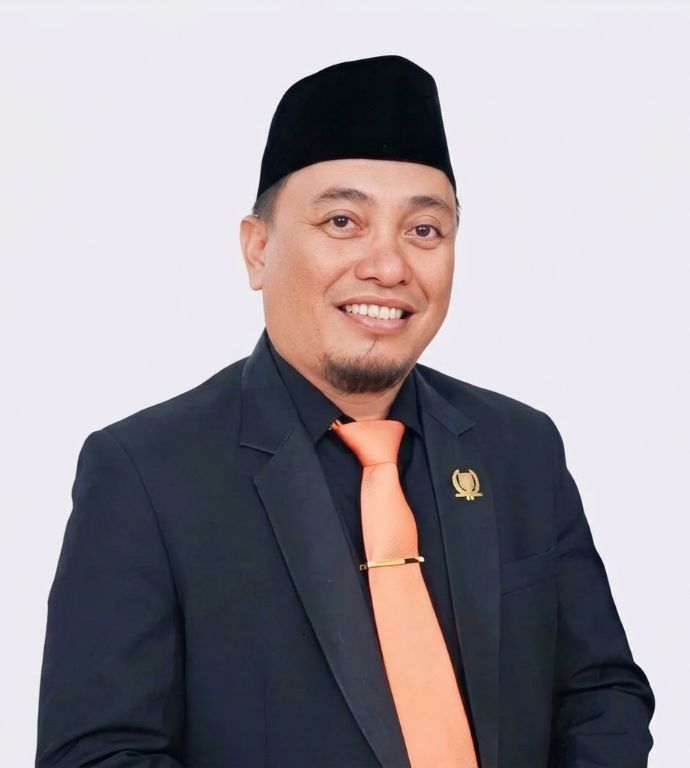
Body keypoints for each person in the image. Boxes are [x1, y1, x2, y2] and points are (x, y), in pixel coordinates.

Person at [35, 55, 655, 768]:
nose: (388, 267)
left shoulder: (520, 447)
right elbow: (99, 754)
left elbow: (600, 693)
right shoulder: (147, 474)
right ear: (258, 250)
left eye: (425, 231)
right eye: (342, 221)